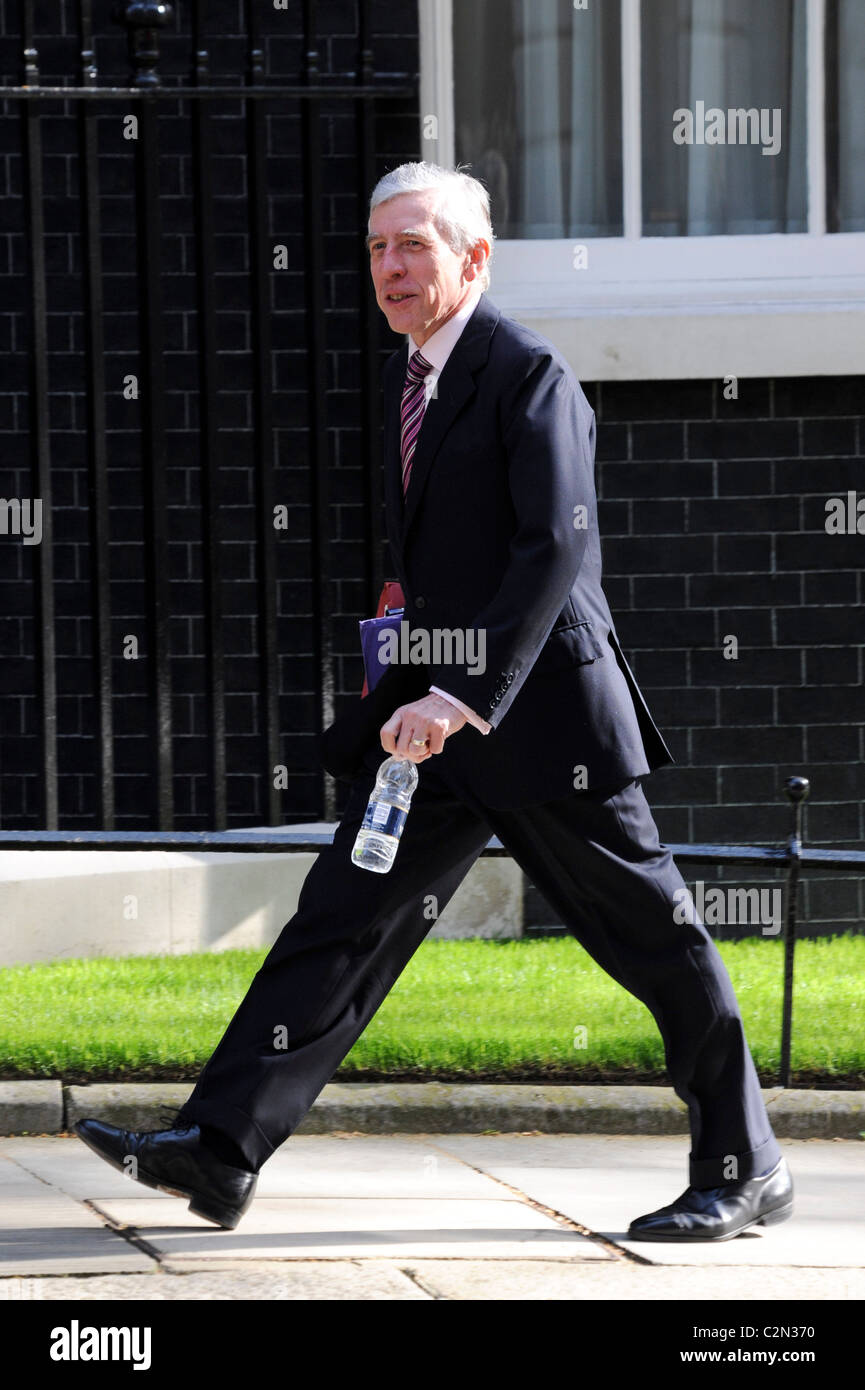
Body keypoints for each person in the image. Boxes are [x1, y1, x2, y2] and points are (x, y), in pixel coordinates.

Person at [75, 161, 792, 1241]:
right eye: (375, 248)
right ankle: (220, 1150)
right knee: (342, 917)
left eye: (413, 244)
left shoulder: (528, 374)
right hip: (436, 724)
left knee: (652, 935)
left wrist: (462, 693)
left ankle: (746, 1166)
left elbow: (554, 550)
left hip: (544, 725)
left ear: (474, 257)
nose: (391, 267)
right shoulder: (415, 375)